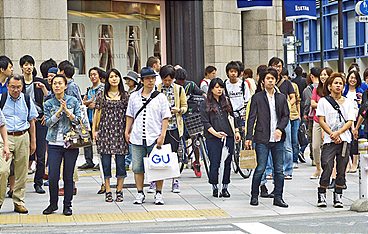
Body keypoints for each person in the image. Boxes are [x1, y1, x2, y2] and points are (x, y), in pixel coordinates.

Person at [125, 66, 171, 205]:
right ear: (142, 80)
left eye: (153, 78)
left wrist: (162, 135)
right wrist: (127, 130)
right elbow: (130, 115)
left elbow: (165, 117)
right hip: (137, 136)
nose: (150, 81)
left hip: (154, 136)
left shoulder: (160, 97)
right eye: (147, 79)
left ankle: (158, 193)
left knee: (158, 166)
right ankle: (140, 193)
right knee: (137, 167)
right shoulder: (134, 96)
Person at [245, 67, 290, 208]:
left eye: (273, 78)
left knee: (279, 170)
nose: (270, 81)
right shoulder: (257, 98)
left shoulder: (281, 97)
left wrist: (280, 129)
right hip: (262, 138)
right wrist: (249, 137)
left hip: (277, 139)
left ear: (276, 80)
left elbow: (285, 116)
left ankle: (278, 197)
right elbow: (251, 118)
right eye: (268, 78)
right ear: (263, 81)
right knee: (260, 168)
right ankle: (254, 195)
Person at [42, 74, 81, 216]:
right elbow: (47, 123)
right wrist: (59, 112)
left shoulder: (74, 101)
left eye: (60, 83)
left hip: (70, 143)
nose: (57, 86)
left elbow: (79, 121)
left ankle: (67, 205)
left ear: (65, 85)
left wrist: (68, 113)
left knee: (68, 176)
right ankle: (53, 204)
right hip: (53, 143)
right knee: (53, 176)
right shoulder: (48, 103)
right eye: (54, 83)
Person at [0, 75, 38, 214]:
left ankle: (19, 201)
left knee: (22, 172)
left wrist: (33, 141)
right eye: (13, 87)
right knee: (3, 170)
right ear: (8, 86)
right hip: (5, 138)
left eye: (18, 87)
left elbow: (32, 121)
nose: (15, 90)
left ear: (22, 87)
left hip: (23, 136)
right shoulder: (1, 99)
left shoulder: (27, 99)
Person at [316, 73, 354, 208]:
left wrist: (339, 132)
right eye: (336, 83)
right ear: (330, 86)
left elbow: (350, 121)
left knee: (341, 168)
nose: (338, 86)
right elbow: (321, 120)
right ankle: (322, 193)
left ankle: (338, 196)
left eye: (341, 84)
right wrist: (332, 133)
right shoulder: (323, 101)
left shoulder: (348, 102)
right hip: (329, 140)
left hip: (344, 140)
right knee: (327, 165)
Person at [92, 68, 129, 203]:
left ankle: (119, 190)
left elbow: (129, 115)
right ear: (107, 80)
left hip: (120, 131)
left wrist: (128, 131)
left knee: (120, 162)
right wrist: (94, 130)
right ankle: (108, 190)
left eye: (116, 76)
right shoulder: (101, 95)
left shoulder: (125, 96)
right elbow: (97, 113)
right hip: (105, 131)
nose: (114, 79)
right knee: (105, 162)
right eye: (111, 76)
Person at [200, 78, 240, 198]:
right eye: (216, 87)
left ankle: (225, 187)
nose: (219, 89)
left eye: (221, 87)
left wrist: (236, 131)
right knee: (215, 162)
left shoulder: (227, 101)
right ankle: (215, 186)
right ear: (211, 89)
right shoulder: (205, 103)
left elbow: (233, 117)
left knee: (227, 161)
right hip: (213, 138)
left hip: (228, 136)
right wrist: (215, 133)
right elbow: (205, 122)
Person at [19, 55, 49, 194]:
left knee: (41, 155)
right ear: (21, 67)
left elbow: (50, 99)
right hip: (24, 123)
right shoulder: (18, 83)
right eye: (25, 64)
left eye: (30, 64)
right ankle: (19, 184)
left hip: (40, 121)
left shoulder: (39, 81)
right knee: (24, 155)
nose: (28, 67)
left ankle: (38, 183)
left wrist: (43, 88)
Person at [157, 65, 187, 193]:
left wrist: (178, 110)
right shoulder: (157, 89)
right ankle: (155, 181)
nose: (167, 82)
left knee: (174, 155)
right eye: (165, 80)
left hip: (174, 126)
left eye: (170, 80)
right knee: (159, 154)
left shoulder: (179, 89)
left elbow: (185, 106)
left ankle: (175, 181)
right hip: (159, 127)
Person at [175, 67, 205, 177]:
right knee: (178, 139)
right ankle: (180, 158)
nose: (181, 83)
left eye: (183, 80)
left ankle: (197, 162)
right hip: (178, 116)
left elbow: (201, 93)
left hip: (190, 116)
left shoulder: (191, 85)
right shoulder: (174, 87)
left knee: (195, 138)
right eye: (179, 80)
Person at [269, 57, 295, 180]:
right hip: (270, 117)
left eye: (279, 66)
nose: (277, 68)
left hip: (284, 117)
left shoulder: (287, 83)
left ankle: (288, 170)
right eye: (274, 66)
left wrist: (287, 104)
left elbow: (293, 97)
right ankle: (270, 170)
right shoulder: (267, 81)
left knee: (287, 144)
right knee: (269, 144)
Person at [78, 67, 104, 170]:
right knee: (86, 140)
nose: (93, 77)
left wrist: (92, 103)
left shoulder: (102, 88)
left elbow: (99, 102)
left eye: (95, 74)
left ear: (99, 76)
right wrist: (88, 103)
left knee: (99, 141)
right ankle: (89, 161)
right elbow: (84, 102)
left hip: (98, 118)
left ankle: (101, 161)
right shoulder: (89, 89)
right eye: (91, 75)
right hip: (88, 118)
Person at [310, 67, 331, 179]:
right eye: (322, 74)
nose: (323, 77)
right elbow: (312, 103)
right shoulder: (316, 89)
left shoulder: (331, 90)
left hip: (330, 122)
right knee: (315, 146)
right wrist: (323, 105)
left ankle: (327, 169)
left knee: (327, 147)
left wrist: (320, 105)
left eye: (325, 75)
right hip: (317, 120)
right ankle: (318, 168)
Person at [342, 70, 363, 173]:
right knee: (347, 141)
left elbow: (363, 107)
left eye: (355, 78)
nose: (352, 80)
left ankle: (355, 163)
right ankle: (348, 163)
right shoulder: (344, 91)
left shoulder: (360, 91)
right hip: (346, 119)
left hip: (358, 119)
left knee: (355, 141)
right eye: (351, 77)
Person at [282, 68, 301, 168]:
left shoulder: (292, 85)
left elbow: (297, 100)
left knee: (294, 140)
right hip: (285, 116)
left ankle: (294, 159)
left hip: (294, 115)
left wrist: (299, 114)